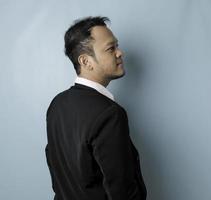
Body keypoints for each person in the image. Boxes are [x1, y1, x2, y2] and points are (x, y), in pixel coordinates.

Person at [45, 16, 147, 200]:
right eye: (111, 48)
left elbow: (57, 175)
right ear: (85, 61)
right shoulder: (109, 114)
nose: (120, 53)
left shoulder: (56, 104)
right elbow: (122, 191)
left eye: (117, 45)